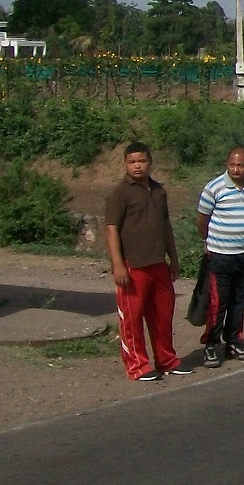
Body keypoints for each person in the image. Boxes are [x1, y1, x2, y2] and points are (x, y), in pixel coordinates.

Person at [104, 142, 188, 381]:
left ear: (150, 161)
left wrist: (173, 258)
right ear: (125, 164)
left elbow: (166, 226)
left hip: (157, 263)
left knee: (162, 315)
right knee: (132, 319)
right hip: (133, 265)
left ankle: (167, 360)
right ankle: (137, 365)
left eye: (141, 161)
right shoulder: (119, 194)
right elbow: (111, 230)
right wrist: (118, 264)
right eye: (132, 162)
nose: (137, 166)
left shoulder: (159, 191)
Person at [196, 146, 244, 367]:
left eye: (240, 165)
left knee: (238, 301)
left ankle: (233, 342)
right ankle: (211, 345)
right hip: (221, 256)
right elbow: (202, 220)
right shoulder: (214, 188)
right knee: (217, 303)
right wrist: (208, 242)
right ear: (227, 164)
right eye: (232, 164)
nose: (235, 169)